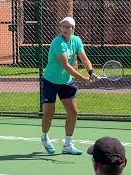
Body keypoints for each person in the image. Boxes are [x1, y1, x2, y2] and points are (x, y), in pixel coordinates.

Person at [41, 16, 98, 155]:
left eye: (68, 27)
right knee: (49, 113)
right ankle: (44, 137)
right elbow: (66, 65)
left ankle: (68, 145)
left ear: (73, 29)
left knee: (73, 112)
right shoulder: (57, 42)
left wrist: (90, 72)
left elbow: (84, 58)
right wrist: (83, 79)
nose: (66, 29)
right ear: (61, 27)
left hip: (67, 82)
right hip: (50, 81)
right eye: (63, 26)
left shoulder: (77, 40)